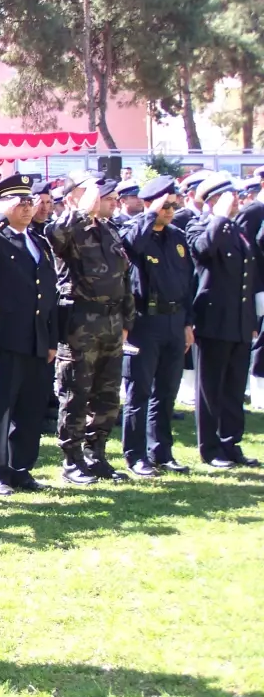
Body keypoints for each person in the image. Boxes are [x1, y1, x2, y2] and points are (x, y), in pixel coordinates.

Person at [0, 175, 58, 496]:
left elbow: (49, 294)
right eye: (20, 203)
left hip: (35, 338)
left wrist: (51, 340)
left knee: (30, 409)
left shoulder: (38, 241)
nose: (28, 208)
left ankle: (21, 469)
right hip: (2, 337)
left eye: (30, 202)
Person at [46, 177, 134, 484]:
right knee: (75, 394)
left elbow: (124, 279)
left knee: (107, 394)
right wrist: (81, 210)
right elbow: (54, 236)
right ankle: (72, 460)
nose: (109, 200)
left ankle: (97, 455)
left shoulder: (109, 229)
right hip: (81, 324)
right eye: (100, 195)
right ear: (75, 198)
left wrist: (127, 321)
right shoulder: (67, 227)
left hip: (111, 323)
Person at [118, 176, 194, 477]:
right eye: (165, 204)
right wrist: (150, 215)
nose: (171, 209)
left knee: (166, 391)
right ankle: (135, 455)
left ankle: (161, 451)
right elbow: (129, 244)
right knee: (139, 391)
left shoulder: (176, 236)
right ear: (149, 204)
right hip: (144, 322)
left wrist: (188, 322)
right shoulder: (136, 231)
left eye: (174, 204)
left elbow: (187, 281)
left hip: (174, 321)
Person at [187, 173, 261, 469]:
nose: (238, 201)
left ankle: (231, 442)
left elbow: (247, 278)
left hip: (239, 322)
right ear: (215, 199)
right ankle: (210, 447)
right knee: (210, 388)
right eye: (231, 196)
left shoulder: (236, 229)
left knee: (233, 386)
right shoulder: (202, 225)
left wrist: (251, 319)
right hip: (213, 321)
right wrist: (217, 217)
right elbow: (203, 250)